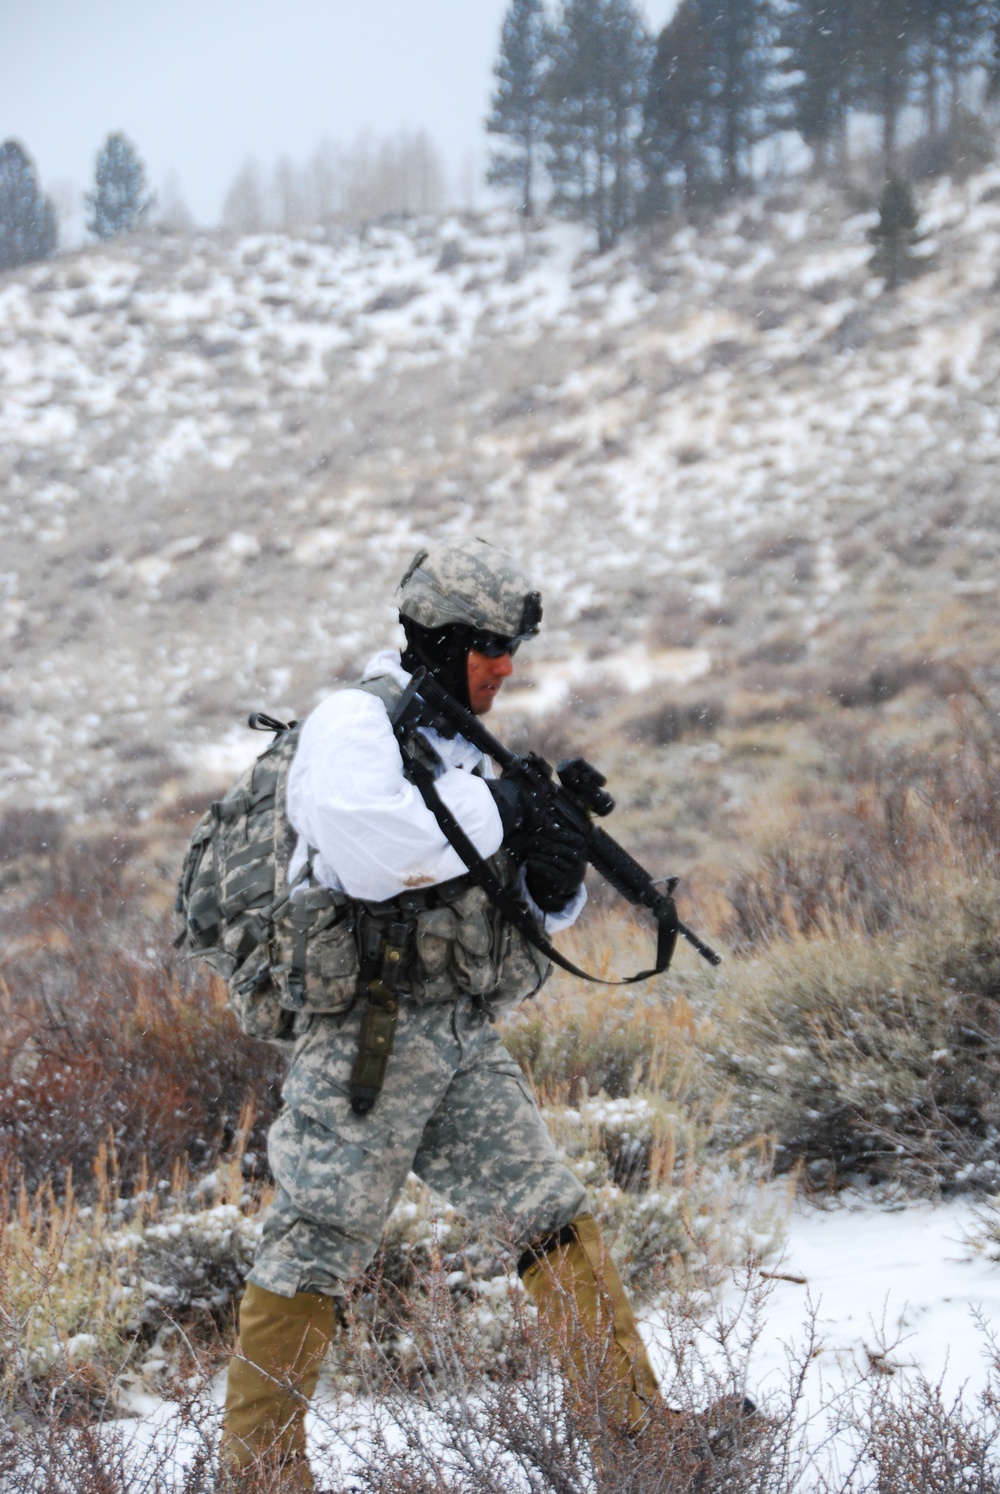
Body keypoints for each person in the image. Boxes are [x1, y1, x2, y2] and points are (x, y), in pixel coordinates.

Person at [220, 538, 662, 1486]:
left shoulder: (462, 746)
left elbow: (491, 901)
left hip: (456, 1031)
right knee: (317, 1240)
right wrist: (503, 807)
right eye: (491, 645)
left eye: (513, 648)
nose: (507, 667)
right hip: (366, 1041)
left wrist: (551, 877)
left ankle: (637, 1441)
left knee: (550, 1217)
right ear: (442, 638)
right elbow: (376, 848)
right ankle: (258, 1476)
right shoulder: (354, 722)